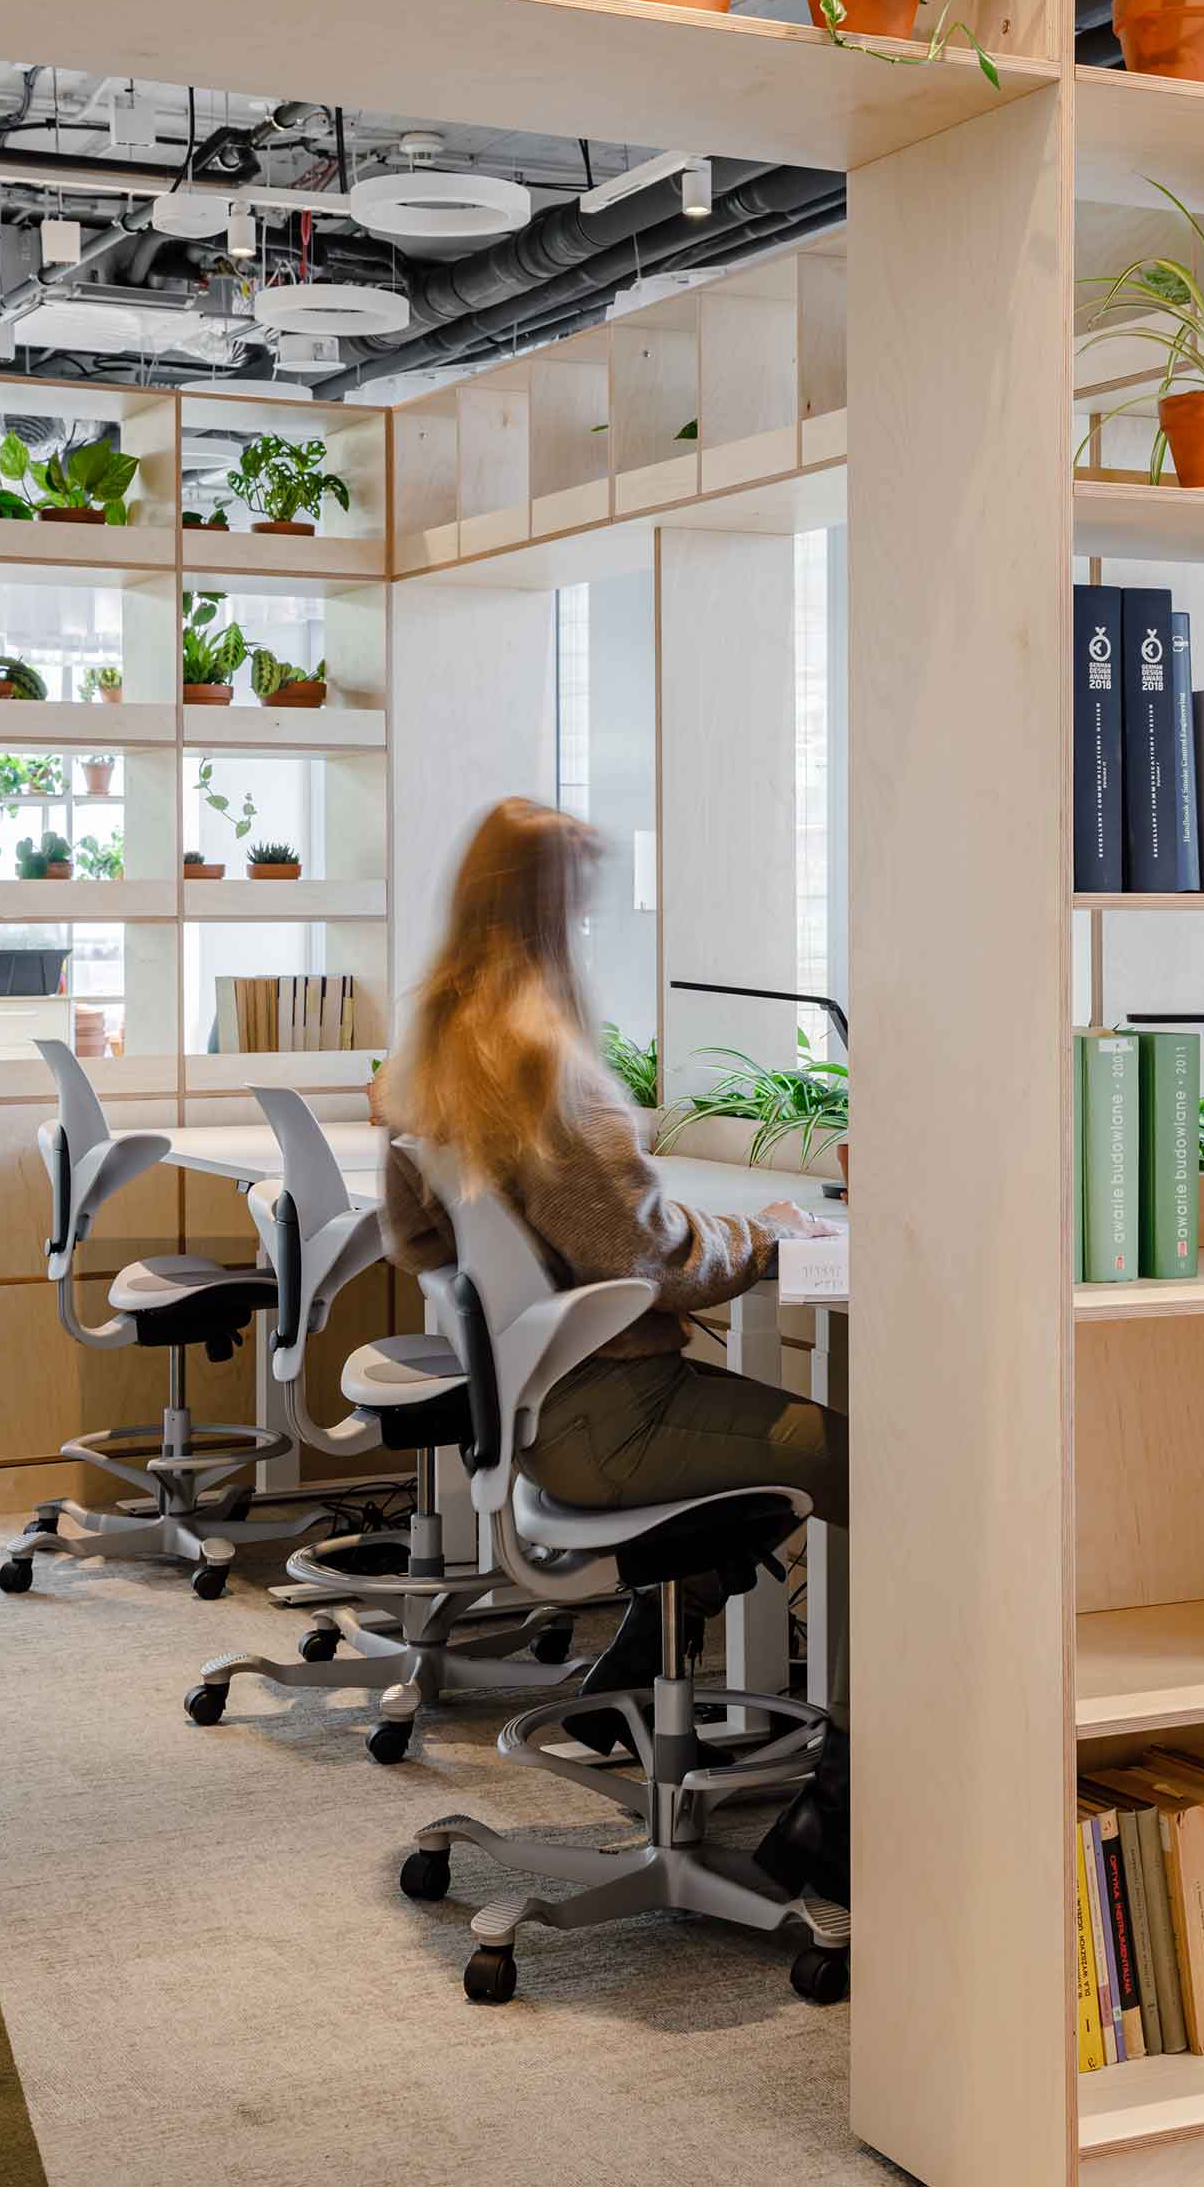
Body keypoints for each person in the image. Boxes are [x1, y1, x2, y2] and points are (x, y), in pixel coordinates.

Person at [378, 795, 848, 1901]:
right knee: (889, 1473)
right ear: (554, 905)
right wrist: (777, 1231)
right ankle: (842, 1807)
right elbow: (655, 1263)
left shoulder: (442, 1046)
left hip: (544, 1417)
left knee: (772, 1456)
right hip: (619, 1420)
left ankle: (618, 1690)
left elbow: (412, 1238)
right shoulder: (548, 1059)